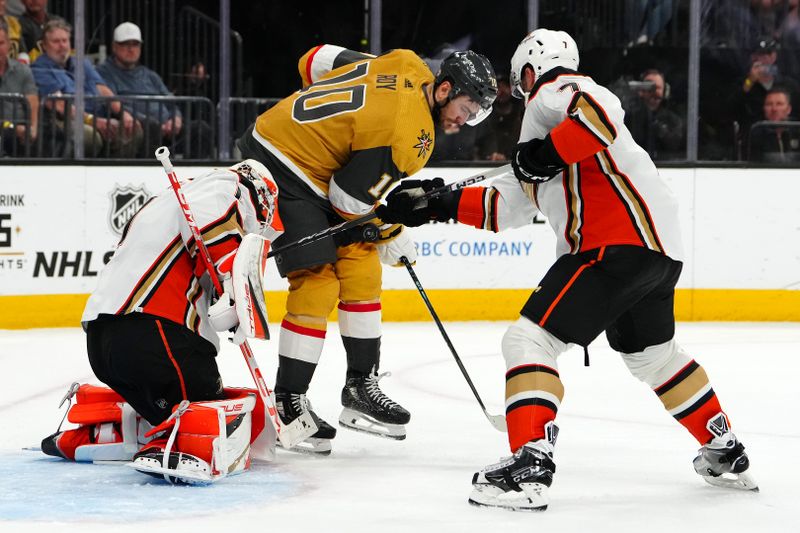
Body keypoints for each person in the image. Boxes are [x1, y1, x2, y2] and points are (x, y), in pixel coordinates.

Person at [379, 28, 757, 511]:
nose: (520, 90)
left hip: (612, 244)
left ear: (530, 68)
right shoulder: (550, 128)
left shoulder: (552, 93)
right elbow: (510, 206)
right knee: (655, 357)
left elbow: (602, 113)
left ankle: (530, 464)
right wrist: (438, 204)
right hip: (657, 253)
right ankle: (725, 448)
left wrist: (541, 155)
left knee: (528, 341)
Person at [236, 44, 497, 454]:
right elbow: (348, 202)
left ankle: (360, 386)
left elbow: (313, 58)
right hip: (283, 170)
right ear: (444, 89)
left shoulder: (407, 63)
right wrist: (392, 233)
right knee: (318, 282)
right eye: (467, 108)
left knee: (362, 264)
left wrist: (322, 124)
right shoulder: (410, 136)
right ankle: (288, 403)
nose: (466, 122)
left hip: (312, 167)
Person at [40, 159, 283, 484]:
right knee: (218, 418)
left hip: (104, 339)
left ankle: (111, 431)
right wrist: (233, 281)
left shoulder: (164, 200)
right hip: (157, 333)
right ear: (261, 197)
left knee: (166, 402)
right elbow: (212, 221)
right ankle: (179, 444)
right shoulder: (225, 186)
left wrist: (224, 295)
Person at [97, 22, 213, 159]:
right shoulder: (103, 72)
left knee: (201, 129)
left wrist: (175, 118)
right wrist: (152, 121)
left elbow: (171, 101)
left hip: (166, 127)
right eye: (125, 44)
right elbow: (113, 105)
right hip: (140, 125)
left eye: (135, 44)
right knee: (152, 127)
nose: (131, 49)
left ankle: (195, 177)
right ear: (114, 47)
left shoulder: (150, 75)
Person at [31, 18, 141, 157]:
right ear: (44, 46)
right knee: (89, 136)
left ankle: (113, 174)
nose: (62, 46)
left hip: (99, 116)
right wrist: (92, 120)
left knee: (132, 130)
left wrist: (124, 115)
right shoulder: (40, 68)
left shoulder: (82, 63)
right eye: (56, 41)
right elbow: (59, 106)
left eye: (65, 41)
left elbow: (103, 90)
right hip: (64, 121)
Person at [624, 69, 685, 160]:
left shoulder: (672, 120)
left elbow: (674, 145)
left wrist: (657, 125)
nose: (654, 92)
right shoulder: (630, 117)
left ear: (665, 91)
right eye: (649, 87)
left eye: (658, 88)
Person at [0, 23, 37, 155]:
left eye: (1, 43)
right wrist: (12, 128)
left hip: (19, 131)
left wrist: (33, 128)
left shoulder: (22, 71)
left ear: (9, 44)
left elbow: (32, 100)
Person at [475, 74, 523, 161]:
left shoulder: (522, 114)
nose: (501, 91)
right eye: (497, 88)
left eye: (504, 86)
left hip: (515, 162)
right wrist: (490, 154)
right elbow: (477, 144)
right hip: (486, 165)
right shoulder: (483, 117)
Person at [748, 86, 800, 161]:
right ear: (764, 109)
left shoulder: (797, 130)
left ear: (788, 109)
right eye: (769, 104)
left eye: (779, 104)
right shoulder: (756, 133)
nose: (774, 109)